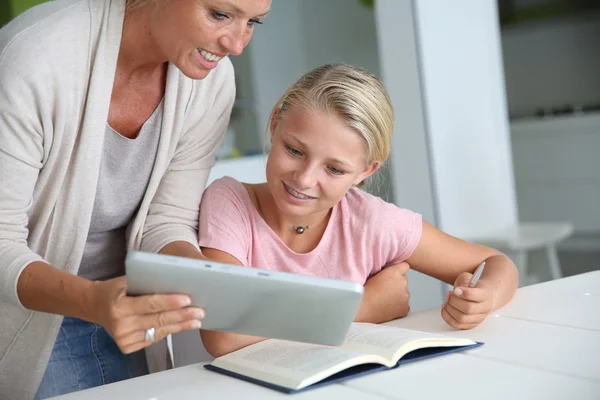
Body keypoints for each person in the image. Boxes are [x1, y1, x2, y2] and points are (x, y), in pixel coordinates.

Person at [0, 0, 271, 398]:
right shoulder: (37, 62)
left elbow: (166, 218)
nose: (237, 44)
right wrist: (92, 300)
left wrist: (208, 278)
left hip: (126, 306)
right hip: (30, 305)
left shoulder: (212, 82)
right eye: (219, 14)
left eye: (254, 22)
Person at [198, 63, 520, 358]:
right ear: (274, 125)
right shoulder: (230, 203)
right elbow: (223, 337)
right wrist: (363, 307)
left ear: (365, 171)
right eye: (294, 150)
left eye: (335, 169)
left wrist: (484, 298)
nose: (305, 178)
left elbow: (495, 263)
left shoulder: (369, 222)